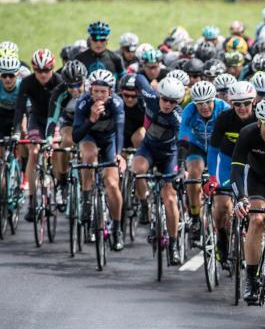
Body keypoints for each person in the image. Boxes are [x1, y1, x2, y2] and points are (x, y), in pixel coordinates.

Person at [231, 97, 265, 303]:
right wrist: (240, 197)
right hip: (258, 180)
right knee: (256, 220)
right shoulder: (248, 134)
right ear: (259, 122)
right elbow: (236, 168)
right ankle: (251, 279)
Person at [132, 75, 184, 265]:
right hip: (149, 148)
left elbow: (181, 143)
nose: (168, 104)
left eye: (173, 101)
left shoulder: (177, 116)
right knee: (138, 170)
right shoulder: (150, 96)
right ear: (159, 95)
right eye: (165, 99)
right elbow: (138, 78)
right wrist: (151, 82)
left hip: (169, 155)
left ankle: (173, 244)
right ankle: (144, 205)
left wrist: (179, 169)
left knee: (169, 198)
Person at [72, 70, 125, 250]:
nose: (99, 95)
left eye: (103, 91)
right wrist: (92, 119)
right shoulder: (83, 103)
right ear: (90, 90)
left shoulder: (117, 103)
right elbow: (76, 136)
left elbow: (119, 130)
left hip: (110, 141)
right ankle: (87, 198)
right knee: (89, 155)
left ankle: (117, 229)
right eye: (96, 91)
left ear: (110, 92)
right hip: (89, 138)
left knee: (111, 183)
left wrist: (118, 154)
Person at [207, 81, 258, 270]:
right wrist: (212, 176)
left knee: (254, 207)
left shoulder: (259, 118)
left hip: (251, 163)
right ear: (231, 104)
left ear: (253, 102)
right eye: (237, 104)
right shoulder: (224, 118)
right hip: (227, 161)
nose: (242, 108)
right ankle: (222, 237)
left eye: (246, 103)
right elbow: (212, 149)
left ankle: (249, 236)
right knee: (222, 205)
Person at [13, 49, 63, 222]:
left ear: (52, 68)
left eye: (47, 70)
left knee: (57, 150)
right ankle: (33, 202)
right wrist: (16, 131)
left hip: (55, 120)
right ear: (34, 69)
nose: (43, 74)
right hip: (36, 119)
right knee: (34, 153)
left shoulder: (59, 81)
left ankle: (59, 187)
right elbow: (20, 108)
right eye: (39, 71)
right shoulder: (27, 82)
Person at [179, 81, 229, 245]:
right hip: (198, 146)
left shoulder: (224, 109)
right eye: (200, 103)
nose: (204, 106)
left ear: (214, 98)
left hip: (219, 148)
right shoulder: (189, 111)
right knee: (194, 174)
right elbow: (184, 136)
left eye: (208, 101)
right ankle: (195, 218)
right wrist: (180, 163)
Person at [46, 60, 89, 206]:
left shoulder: (92, 89)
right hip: (69, 122)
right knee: (67, 142)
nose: (75, 89)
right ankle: (62, 181)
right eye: (70, 85)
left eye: (78, 84)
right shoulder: (59, 92)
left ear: (85, 80)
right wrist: (49, 137)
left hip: (88, 122)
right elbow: (52, 118)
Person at [0, 56, 22, 140]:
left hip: (18, 114)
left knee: (23, 132)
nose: (7, 79)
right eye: (4, 76)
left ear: (17, 75)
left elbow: (27, 111)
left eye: (11, 75)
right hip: (2, 114)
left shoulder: (22, 86)